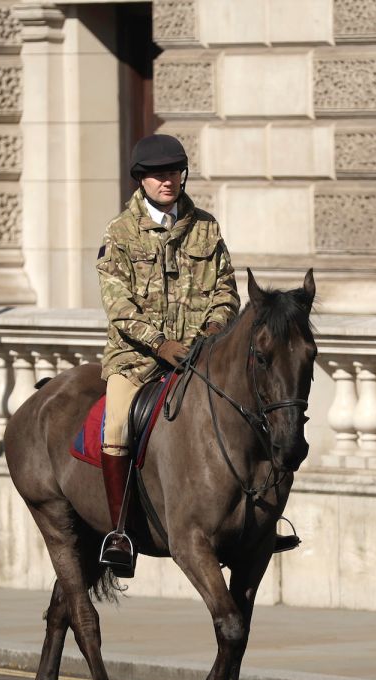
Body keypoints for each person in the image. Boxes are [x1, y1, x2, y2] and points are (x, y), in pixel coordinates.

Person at [95, 134, 296, 576]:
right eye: (157, 174)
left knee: (255, 415)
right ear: (141, 180)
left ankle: (264, 521)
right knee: (115, 426)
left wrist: (211, 332)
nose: (168, 181)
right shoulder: (119, 234)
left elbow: (226, 290)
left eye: (174, 172)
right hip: (138, 359)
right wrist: (159, 344)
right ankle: (120, 533)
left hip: (200, 353)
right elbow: (118, 305)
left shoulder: (206, 227)